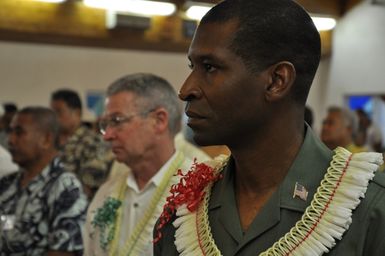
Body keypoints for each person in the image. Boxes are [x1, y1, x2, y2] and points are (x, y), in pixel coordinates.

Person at [154, 1, 385, 255]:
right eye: (192, 67)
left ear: (277, 81)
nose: (186, 90)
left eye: (210, 67)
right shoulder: (185, 213)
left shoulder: (368, 209)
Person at [83, 73, 208, 255]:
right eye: (105, 124)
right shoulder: (106, 193)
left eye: (117, 121)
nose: (107, 135)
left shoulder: (199, 190)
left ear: (159, 121)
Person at [0, 106, 88, 255]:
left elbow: (63, 252)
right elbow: (7, 229)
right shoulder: (8, 184)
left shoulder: (64, 187)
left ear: (46, 139)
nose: (11, 140)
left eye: (19, 132)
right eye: (10, 132)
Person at [50, 89, 113, 199]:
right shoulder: (50, 141)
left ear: (77, 113)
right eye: (52, 112)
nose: (54, 117)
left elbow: (87, 188)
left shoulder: (93, 142)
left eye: (59, 112)